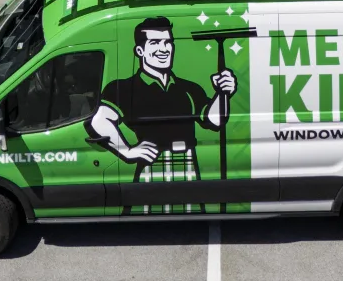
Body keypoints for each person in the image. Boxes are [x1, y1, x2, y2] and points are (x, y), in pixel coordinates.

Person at [86, 16, 237, 214]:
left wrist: (222, 93)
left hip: (187, 166)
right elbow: (100, 120)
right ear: (140, 51)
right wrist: (128, 151)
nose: (163, 49)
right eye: (155, 42)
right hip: (152, 166)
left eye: (168, 42)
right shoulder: (124, 88)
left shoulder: (188, 89)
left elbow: (214, 120)